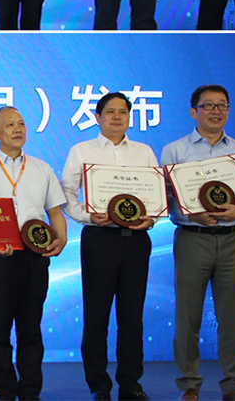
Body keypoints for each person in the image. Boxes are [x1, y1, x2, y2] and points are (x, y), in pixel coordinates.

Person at [161, 84, 235, 401]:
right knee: (188, 316)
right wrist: (191, 214)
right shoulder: (174, 150)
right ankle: (189, 384)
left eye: (222, 105)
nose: (216, 111)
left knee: (232, 317)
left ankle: (233, 383)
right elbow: (166, 198)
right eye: (208, 105)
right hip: (193, 239)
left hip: (232, 239)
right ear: (193, 112)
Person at [59, 93, 157, 401]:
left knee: (132, 316)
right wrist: (88, 216)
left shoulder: (144, 152)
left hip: (137, 240)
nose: (117, 117)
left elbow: (156, 193)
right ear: (98, 117)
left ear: (129, 117)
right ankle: (99, 385)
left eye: (123, 112)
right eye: (110, 111)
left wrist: (152, 218)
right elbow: (66, 192)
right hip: (99, 238)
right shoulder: (82, 150)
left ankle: (131, 383)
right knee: (96, 315)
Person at [0, 106, 67, 401]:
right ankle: (4, 389)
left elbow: (55, 211)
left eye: (21, 123)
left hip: (35, 257)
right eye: (10, 124)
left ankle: (30, 391)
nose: (18, 129)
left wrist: (61, 238)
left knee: (30, 328)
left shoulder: (42, 168)